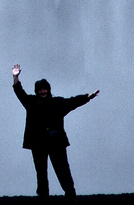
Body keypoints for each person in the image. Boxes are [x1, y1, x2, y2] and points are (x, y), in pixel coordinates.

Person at [11, 63, 98, 197]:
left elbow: (73, 102)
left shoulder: (58, 103)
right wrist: (15, 77)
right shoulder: (31, 103)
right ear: (36, 91)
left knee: (63, 169)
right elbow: (19, 92)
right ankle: (43, 197)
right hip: (38, 143)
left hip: (56, 142)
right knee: (41, 172)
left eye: (44, 89)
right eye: (39, 90)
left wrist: (88, 97)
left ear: (48, 89)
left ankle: (70, 195)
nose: (42, 92)